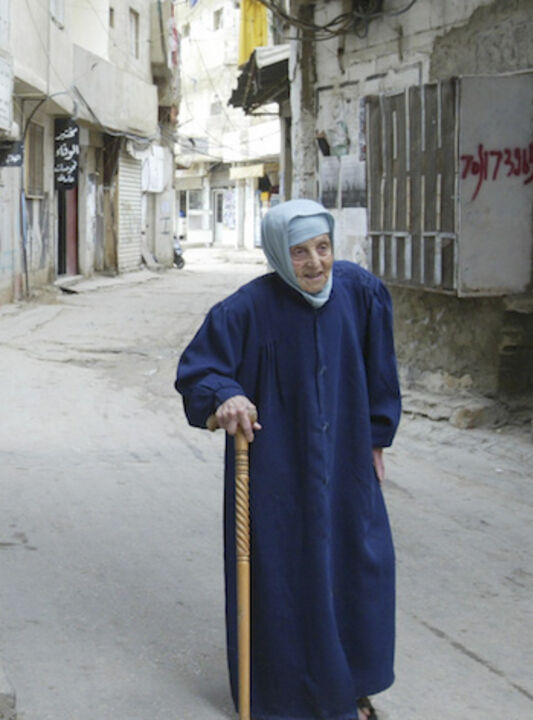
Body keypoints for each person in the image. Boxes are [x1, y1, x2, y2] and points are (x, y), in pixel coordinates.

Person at [174, 199, 401, 720]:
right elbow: (199, 372)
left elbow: (380, 368)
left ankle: (348, 686)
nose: (315, 263)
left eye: (323, 247)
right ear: (278, 253)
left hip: (345, 461)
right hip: (278, 468)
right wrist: (227, 395)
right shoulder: (245, 310)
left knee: (356, 565)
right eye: (299, 252)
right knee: (283, 574)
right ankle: (283, 697)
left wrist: (376, 438)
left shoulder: (358, 292)